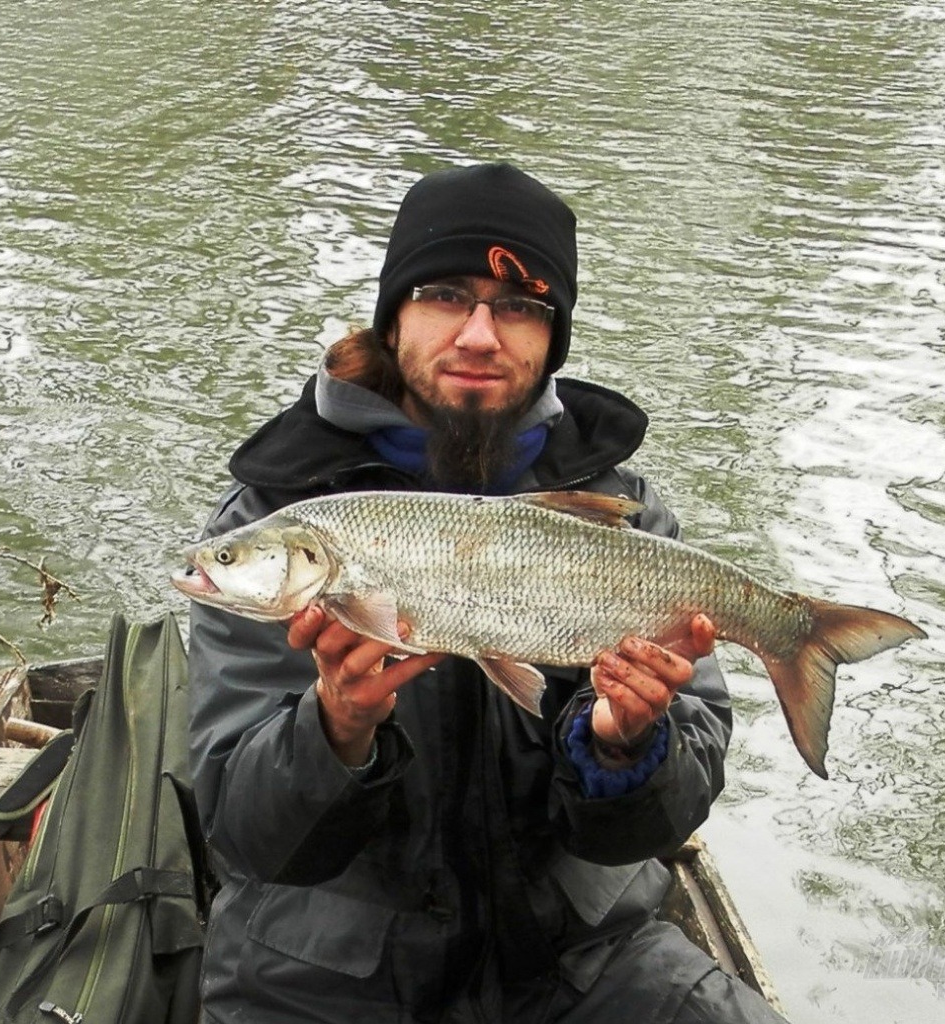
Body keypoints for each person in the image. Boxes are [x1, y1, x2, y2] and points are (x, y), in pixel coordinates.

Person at [187, 162, 788, 1024]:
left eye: (519, 306)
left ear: (552, 339)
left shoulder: (623, 510)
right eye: (444, 295)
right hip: (321, 978)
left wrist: (623, 749)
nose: (479, 334)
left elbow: (657, 825)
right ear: (394, 318)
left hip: (579, 956)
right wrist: (337, 728)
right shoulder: (278, 515)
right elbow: (243, 833)